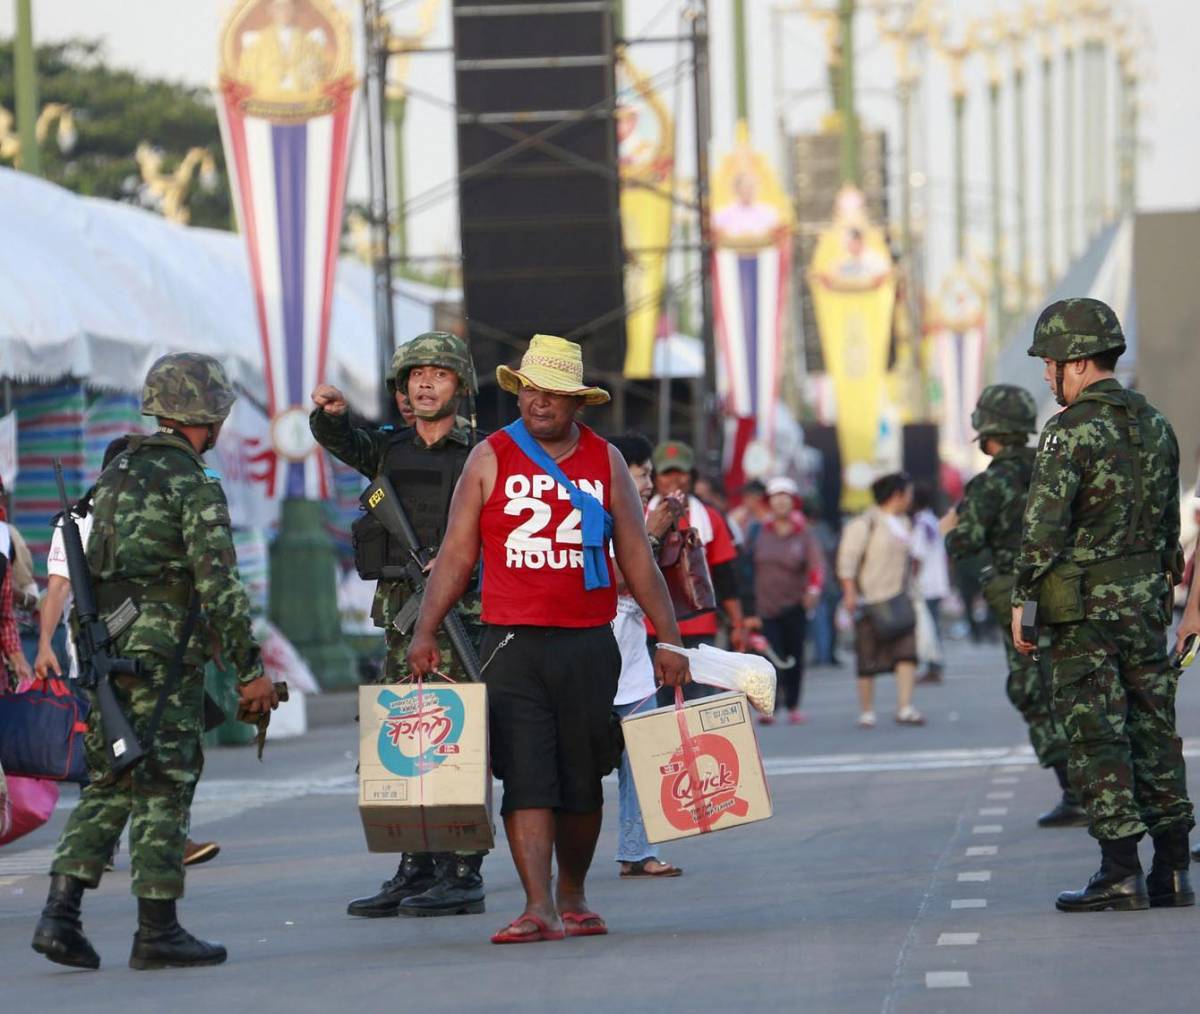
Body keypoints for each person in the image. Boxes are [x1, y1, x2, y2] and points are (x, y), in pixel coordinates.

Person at [406, 334, 689, 943]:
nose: (540, 402)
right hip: (512, 643)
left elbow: (636, 555)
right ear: (519, 391)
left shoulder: (606, 460)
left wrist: (670, 640)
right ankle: (538, 907)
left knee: (583, 778)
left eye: (555, 393)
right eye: (532, 389)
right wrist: (424, 629)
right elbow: (457, 553)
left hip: (590, 641)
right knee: (527, 774)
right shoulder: (490, 456)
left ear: (577, 402)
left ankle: (574, 895)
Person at [32, 353, 278, 971]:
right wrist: (248, 671)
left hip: (111, 652)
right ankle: (157, 929)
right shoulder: (190, 483)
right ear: (210, 414)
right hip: (164, 656)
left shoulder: (115, 475)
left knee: (112, 781)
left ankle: (60, 913)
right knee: (165, 783)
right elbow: (219, 584)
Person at [1011, 298, 1193, 912]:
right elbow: (1170, 526)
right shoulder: (1158, 425)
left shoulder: (1068, 432)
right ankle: (1172, 871)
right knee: (1155, 730)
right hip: (1146, 604)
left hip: (1085, 610)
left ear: (1080, 361)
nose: (1046, 374)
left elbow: (1042, 532)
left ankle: (1120, 872)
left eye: (1051, 362)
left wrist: (1024, 608)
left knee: (1098, 737)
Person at [311, 331, 489, 919]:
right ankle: (413, 865)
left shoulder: (486, 453)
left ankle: (462, 872)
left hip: (463, 621)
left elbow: (511, 527)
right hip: (401, 621)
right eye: (416, 375)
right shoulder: (389, 450)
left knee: (456, 740)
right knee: (400, 742)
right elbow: (341, 440)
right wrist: (330, 416)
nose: (426, 382)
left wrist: (464, 558)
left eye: (438, 373)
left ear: (459, 385)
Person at [35, 436, 222, 868]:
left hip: (153, 650)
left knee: (154, 746)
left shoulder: (152, 515)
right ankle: (115, 846)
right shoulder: (80, 521)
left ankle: (140, 841)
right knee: (117, 749)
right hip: (100, 653)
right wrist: (44, 644)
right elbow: (58, 587)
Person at [943, 385, 1082, 827]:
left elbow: (963, 541)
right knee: (1079, 685)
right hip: (1071, 591)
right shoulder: (1055, 471)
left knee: (1031, 688)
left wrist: (954, 530)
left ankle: (1074, 790)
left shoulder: (989, 484)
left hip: (1023, 602)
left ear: (989, 435)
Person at [608, 432, 684, 878]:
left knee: (643, 758)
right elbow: (617, 580)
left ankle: (638, 850)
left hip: (634, 657)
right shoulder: (597, 516)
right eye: (642, 472)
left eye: (650, 473)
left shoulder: (646, 517)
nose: (650, 481)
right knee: (574, 766)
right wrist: (652, 536)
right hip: (594, 655)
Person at [648, 441, 746, 703]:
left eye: (681, 472)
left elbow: (724, 573)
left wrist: (738, 623)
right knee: (656, 704)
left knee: (697, 703)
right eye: (667, 473)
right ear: (655, 478)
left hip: (698, 626)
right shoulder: (640, 515)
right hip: (649, 627)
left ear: (691, 477)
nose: (674, 479)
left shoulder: (711, 518)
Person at [836, 472, 924, 728]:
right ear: (896, 495)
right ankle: (867, 711)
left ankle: (905, 707)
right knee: (867, 657)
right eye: (907, 492)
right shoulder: (864, 523)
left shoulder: (906, 522)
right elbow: (847, 561)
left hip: (899, 598)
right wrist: (850, 592)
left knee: (907, 653)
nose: (910, 498)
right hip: (870, 601)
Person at [745, 477, 823, 725]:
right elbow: (745, 566)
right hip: (764, 607)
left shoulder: (804, 534)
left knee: (793, 657)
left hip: (794, 606)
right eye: (775, 497)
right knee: (768, 659)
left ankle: (793, 705)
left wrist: (813, 590)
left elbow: (816, 566)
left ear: (793, 502)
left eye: (785, 497)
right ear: (769, 502)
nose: (780, 502)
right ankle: (769, 707)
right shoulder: (758, 530)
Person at [910, 483, 949, 684]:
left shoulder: (920, 524)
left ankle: (934, 666)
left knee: (929, 626)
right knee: (933, 625)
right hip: (937, 582)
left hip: (925, 584)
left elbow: (917, 556)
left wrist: (911, 579)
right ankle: (934, 665)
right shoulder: (932, 520)